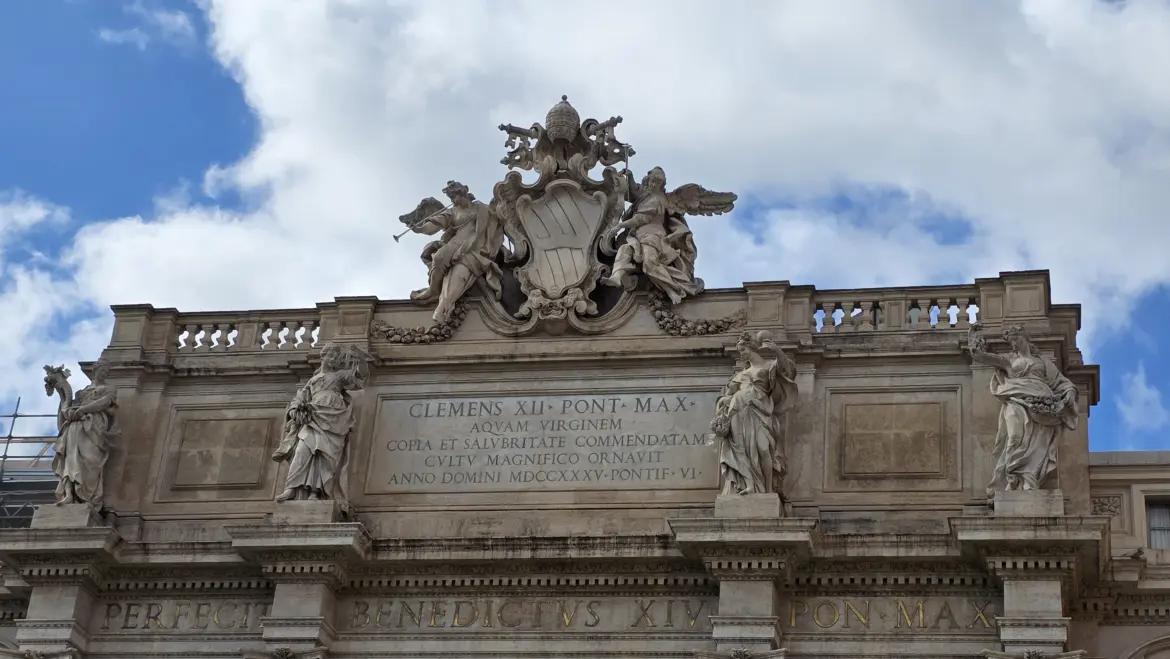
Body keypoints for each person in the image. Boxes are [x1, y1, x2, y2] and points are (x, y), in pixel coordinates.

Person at [968, 323, 1078, 495]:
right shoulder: (1008, 360)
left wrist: (1070, 392)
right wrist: (973, 340)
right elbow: (980, 356)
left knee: (1037, 445)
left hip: (1043, 405)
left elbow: (1061, 382)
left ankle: (1029, 480)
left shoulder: (1042, 361)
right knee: (1014, 437)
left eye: (1015, 338)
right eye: (1010, 340)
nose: (1013, 343)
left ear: (1025, 338)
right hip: (1016, 400)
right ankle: (1012, 479)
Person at [273, 343, 370, 506]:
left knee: (325, 455)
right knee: (302, 451)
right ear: (323, 356)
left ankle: (316, 492)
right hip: (313, 416)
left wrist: (360, 357)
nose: (334, 360)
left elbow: (362, 374)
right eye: (331, 356)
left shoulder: (339, 376)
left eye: (337, 358)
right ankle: (293, 488)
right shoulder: (313, 380)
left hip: (334, 418)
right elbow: (299, 398)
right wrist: (295, 410)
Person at [710, 331, 799, 504]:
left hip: (761, 411)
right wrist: (722, 405)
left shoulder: (768, 366)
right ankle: (749, 485)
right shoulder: (740, 375)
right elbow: (728, 396)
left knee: (764, 449)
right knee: (741, 450)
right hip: (738, 411)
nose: (741, 354)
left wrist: (777, 351)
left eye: (743, 349)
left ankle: (767, 489)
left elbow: (788, 372)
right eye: (740, 351)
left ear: (752, 348)